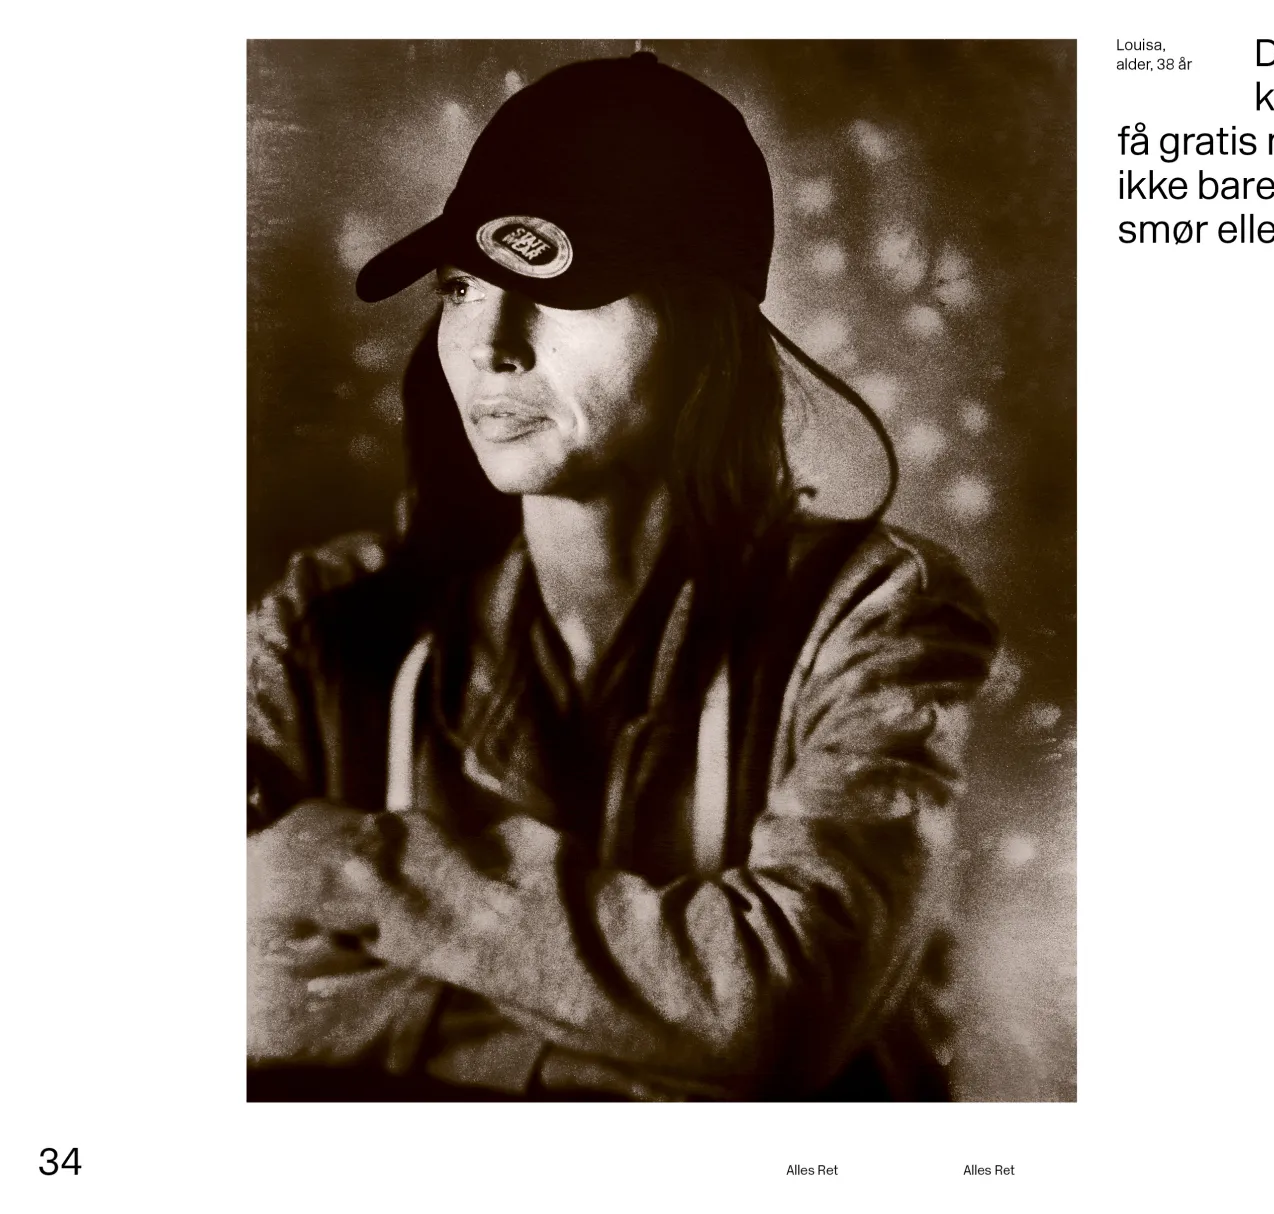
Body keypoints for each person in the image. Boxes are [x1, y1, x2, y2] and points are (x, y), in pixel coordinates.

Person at [246, 52, 997, 1101]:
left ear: (706, 332)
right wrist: (643, 1059)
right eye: (459, 288)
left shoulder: (873, 617)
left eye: (556, 288)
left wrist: (351, 869)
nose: (487, 344)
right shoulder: (325, 624)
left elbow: (779, 1011)